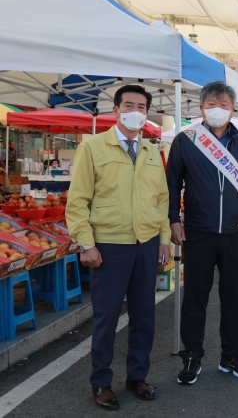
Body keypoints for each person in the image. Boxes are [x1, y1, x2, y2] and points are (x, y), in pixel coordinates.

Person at [66, 85, 170, 411]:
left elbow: (162, 200)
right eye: (129, 104)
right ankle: (101, 382)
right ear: (116, 109)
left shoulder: (153, 151)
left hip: (146, 244)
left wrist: (164, 239)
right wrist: (86, 244)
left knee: (144, 316)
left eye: (141, 106)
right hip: (109, 247)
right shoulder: (93, 147)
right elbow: (78, 201)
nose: (136, 110)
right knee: (106, 318)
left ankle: (137, 376)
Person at [167, 80, 238, 385]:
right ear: (201, 109)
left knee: (236, 296)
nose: (217, 110)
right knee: (195, 296)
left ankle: (232, 355)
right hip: (198, 229)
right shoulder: (187, 140)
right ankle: (193, 356)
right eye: (211, 104)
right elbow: (172, 184)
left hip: (236, 232)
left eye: (223, 105)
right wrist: (174, 220)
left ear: (233, 109)